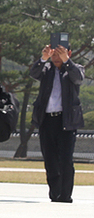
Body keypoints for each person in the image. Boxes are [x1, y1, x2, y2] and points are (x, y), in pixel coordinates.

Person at [30, 42, 85, 203]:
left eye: (59, 54)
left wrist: (67, 61)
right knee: (50, 159)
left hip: (66, 120)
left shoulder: (74, 69)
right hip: (47, 119)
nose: (56, 58)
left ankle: (65, 195)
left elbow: (78, 79)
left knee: (66, 159)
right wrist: (43, 58)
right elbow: (33, 73)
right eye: (53, 55)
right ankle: (55, 193)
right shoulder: (46, 70)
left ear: (68, 53)